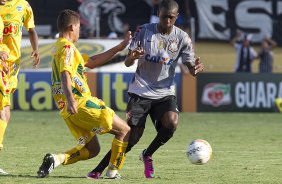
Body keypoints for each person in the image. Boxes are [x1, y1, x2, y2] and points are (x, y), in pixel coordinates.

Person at [88, 0, 204, 179]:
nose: (167, 21)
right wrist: (132, 58)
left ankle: (147, 154)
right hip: (140, 90)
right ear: (159, 13)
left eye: (171, 18)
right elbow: (127, 62)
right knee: (132, 137)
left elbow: (190, 66)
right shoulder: (144, 31)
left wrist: (194, 70)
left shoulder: (182, 38)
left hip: (165, 92)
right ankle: (99, 169)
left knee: (171, 123)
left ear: (176, 17)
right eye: (164, 17)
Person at [36, 9, 131, 179]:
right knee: (124, 130)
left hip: (68, 111)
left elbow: (92, 62)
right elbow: (65, 73)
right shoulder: (67, 47)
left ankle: (56, 160)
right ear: (72, 27)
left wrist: (118, 48)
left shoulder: (59, 47)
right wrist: (72, 99)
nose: (80, 30)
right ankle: (112, 173)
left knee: (92, 149)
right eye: (79, 27)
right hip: (80, 103)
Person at [0, 0, 40, 175]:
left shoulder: (22, 5)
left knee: (5, 110)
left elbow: (31, 30)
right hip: (1, 63)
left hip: (13, 65)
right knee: (3, 109)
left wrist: (36, 49)